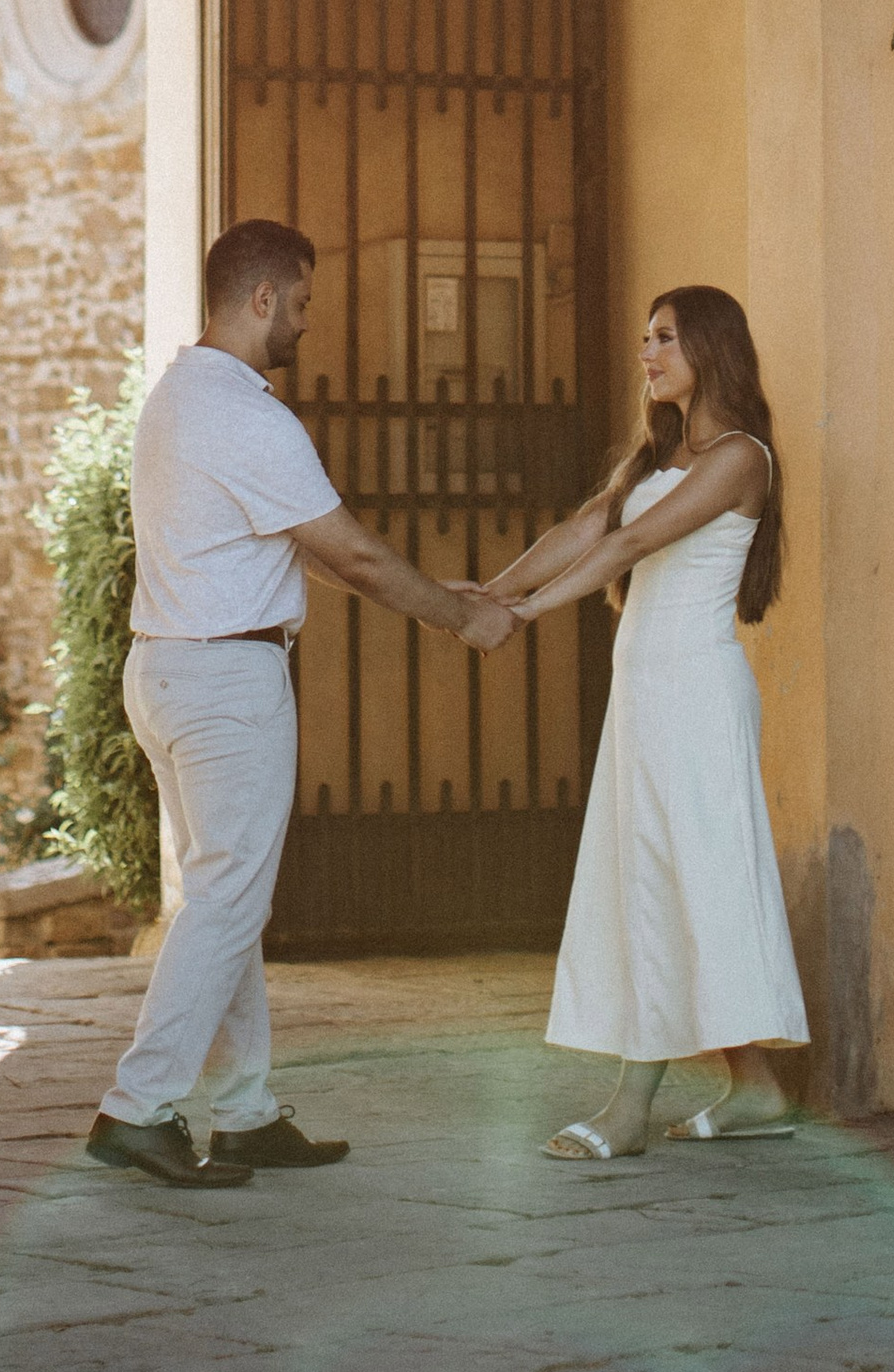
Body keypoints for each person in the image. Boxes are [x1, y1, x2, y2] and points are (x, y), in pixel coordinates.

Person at [85, 216, 518, 1189]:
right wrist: (460, 619)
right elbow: (353, 549)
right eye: (305, 304)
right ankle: (136, 1106)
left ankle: (241, 1114)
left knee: (222, 898)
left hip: (171, 669)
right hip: (225, 684)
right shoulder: (244, 413)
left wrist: (440, 603)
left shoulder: (180, 396)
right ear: (264, 298)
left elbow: (323, 560)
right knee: (231, 900)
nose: (310, 325)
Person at [469, 283, 808, 1160]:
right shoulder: (658, 458)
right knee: (662, 881)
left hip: (696, 696)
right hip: (647, 698)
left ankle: (629, 1107)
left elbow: (628, 548)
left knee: (672, 883)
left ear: (712, 347)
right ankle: (757, 1087)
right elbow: (587, 530)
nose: (646, 353)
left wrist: (524, 617)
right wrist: (483, 594)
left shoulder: (741, 458)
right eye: (643, 338)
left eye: (664, 338)